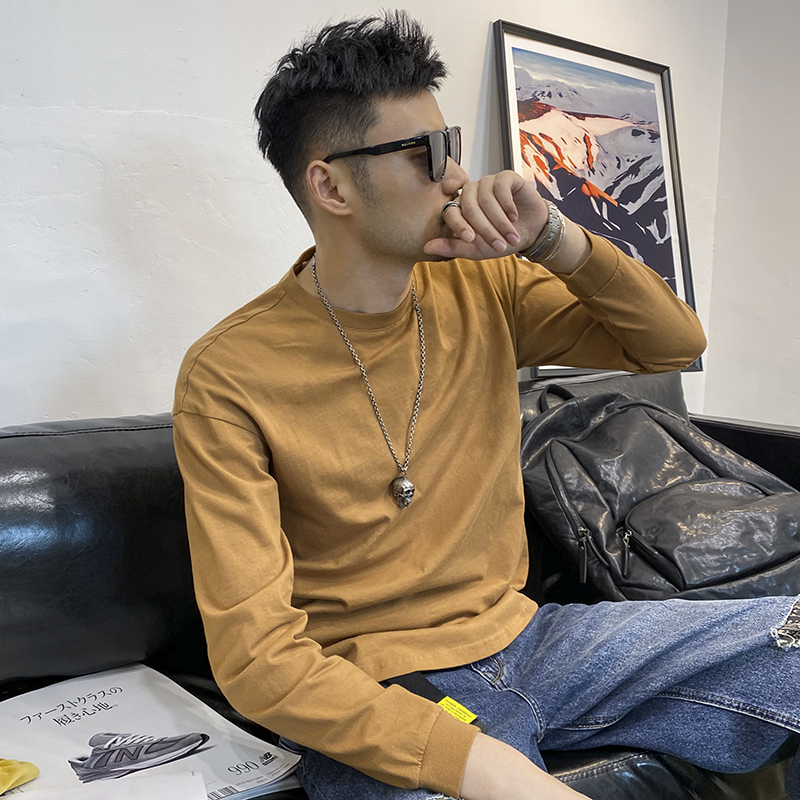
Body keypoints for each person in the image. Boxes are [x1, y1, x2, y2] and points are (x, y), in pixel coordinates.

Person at [172, 12, 800, 800]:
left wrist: (555, 239)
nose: (456, 177)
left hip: (536, 641)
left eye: (454, 144)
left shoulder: (484, 285)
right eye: (426, 154)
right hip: (378, 685)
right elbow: (257, 660)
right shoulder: (228, 375)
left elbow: (672, 342)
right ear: (331, 186)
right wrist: (487, 767)